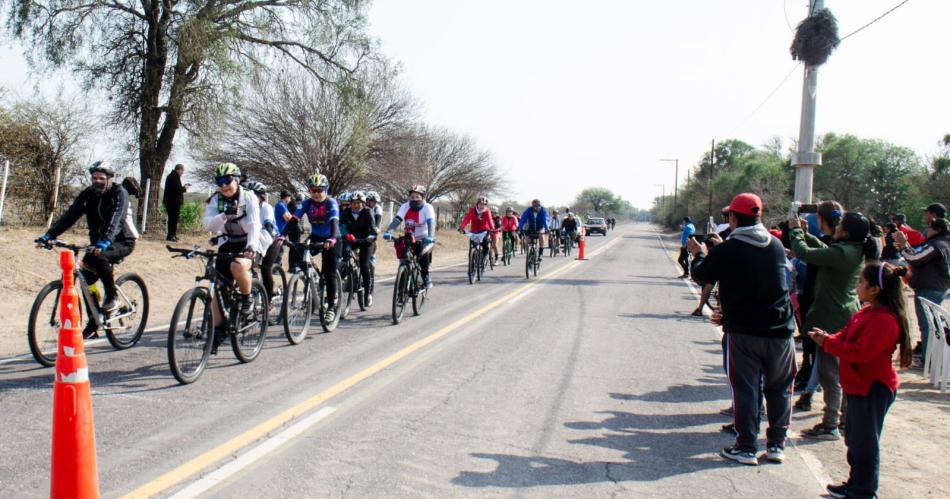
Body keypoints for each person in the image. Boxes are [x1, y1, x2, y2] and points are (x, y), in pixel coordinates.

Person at [689, 193, 796, 466]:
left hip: (745, 331)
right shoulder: (775, 245)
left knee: (747, 390)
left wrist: (701, 254)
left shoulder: (730, 248)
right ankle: (775, 445)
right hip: (781, 330)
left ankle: (747, 447)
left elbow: (701, 275)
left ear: (734, 218)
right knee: (780, 389)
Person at [810, 263, 912, 499]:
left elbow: (860, 353)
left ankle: (864, 491)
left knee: (866, 443)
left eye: (860, 282)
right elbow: (845, 335)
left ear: (875, 289)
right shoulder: (865, 312)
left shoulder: (885, 320)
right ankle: (855, 482)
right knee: (854, 439)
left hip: (873, 386)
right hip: (857, 385)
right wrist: (827, 338)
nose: (856, 287)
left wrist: (828, 343)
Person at [790, 206, 877, 441]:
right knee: (842, 372)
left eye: (840, 225)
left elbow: (804, 253)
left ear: (846, 232)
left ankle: (830, 424)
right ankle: (845, 420)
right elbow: (824, 250)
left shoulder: (843, 253)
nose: (835, 227)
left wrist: (796, 233)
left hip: (831, 318)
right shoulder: (851, 250)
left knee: (830, 374)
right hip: (845, 314)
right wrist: (807, 234)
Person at [36, 161, 138, 331]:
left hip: (122, 240)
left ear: (109, 179)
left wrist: (105, 241)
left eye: (101, 178)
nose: (97, 181)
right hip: (97, 243)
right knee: (86, 278)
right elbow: (70, 215)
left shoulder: (119, 193)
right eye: (94, 178)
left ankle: (113, 297)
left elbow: (116, 219)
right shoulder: (88, 194)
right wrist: (49, 236)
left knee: (101, 256)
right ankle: (95, 317)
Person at [203, 163, 262, 335]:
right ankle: (219, 330)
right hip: (228, 241)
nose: (223, 186)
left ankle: (247, 297)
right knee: (217, 287)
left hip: (247, 241)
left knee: (237, 266)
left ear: (236, 180)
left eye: (227, 180)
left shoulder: (248, 197)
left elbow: (254, 224)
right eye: (219, 182)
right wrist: (223, 216)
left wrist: (252, 246)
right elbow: (209, 225)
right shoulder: (217, 199)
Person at [893, 217, 950, 361]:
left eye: (929, 228)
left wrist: (903, 244)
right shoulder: (943, 243)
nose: (926, 231)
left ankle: (928, 358)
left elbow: (916, 259)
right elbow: (919, 258)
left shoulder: (937, 244)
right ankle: (932, 357)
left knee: (927, 326)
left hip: (929, 288)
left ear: (936, 229)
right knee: (933, 324)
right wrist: (904, 247)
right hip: (937, 287)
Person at [293, 173, 341, 323]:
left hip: (332, 237)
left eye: (320, 190)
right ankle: (310, 279)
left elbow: (334, 222)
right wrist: (281, 236)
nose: (316, 194)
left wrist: (332, 238)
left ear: (325, 190)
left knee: (329, 273)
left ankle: (331, 307)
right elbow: (295, 219)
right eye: (313, 190)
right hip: (315, 236)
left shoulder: (331, 202)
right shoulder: (307, 203)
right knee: (298, 252)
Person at [383, 185, 436, 288]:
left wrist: (431, 236)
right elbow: (397, 219)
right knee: (403, 259)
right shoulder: (405, 206)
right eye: (412, 197)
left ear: (422, 197)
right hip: (409, 236)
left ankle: (425, 276)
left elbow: (431, 222)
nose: (414, 199)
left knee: (422, 252)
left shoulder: (427, 207)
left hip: (424, 237)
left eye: (417, 197)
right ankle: (401, 289)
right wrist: (389, 231)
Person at [341, 191, 378, 307]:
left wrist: (371, 236)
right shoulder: (347, 212)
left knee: (364, 265)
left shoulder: (368, 212)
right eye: (353, 203)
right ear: (350, 203)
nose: (356, 205)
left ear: (363, 203)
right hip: (351, 240)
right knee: (342, 259)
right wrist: (344, 234)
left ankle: (368, 294)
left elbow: (373, 229)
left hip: (365, 242)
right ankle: (342, 282)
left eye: (358, 203)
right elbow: (340, 225)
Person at [246, 182, 280, 304]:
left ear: (261, 197)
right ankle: (254, 286)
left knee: (266, 268)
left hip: (271, 239)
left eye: (254, 195)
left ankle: (268, 302)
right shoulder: (246, 206)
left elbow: (268, 223)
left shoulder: (266, 207)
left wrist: (268, 227)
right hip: (256, 237)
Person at [162, 163, 188, 242]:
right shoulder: (173, 177)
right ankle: (171, 236)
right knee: (173, 219)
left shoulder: (174, 176)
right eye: (182, 170)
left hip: (172, 202)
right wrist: (184, 188)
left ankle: (172, 235)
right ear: (179, 169)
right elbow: (177, 189)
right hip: (172, 202)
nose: (183, 172)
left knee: (173, 219)